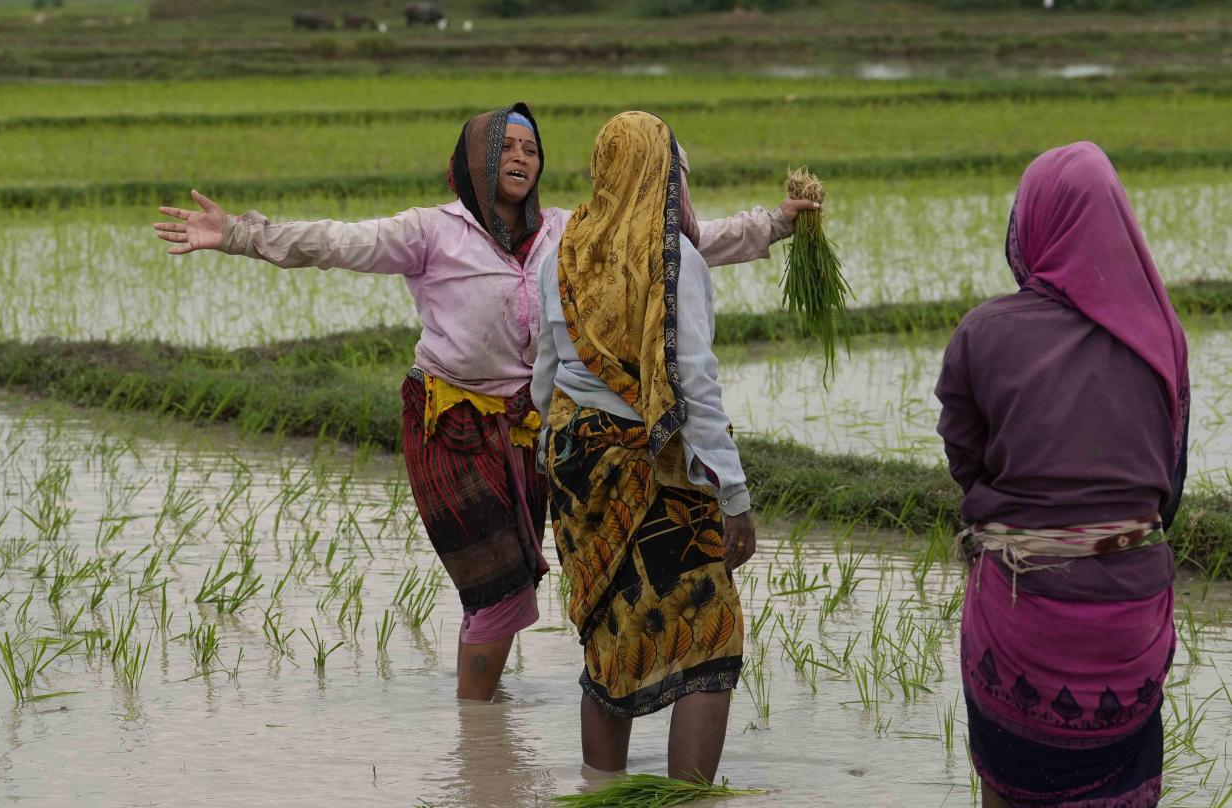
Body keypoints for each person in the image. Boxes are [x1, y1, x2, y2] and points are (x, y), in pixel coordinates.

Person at [153, 102, 813, 702]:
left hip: (530, 429)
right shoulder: (430, 233)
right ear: (474, 163)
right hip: (451, 425)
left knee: (512, 581)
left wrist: (778, 224)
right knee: (500, 588)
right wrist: (241, 235)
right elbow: (336, 242)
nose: (521, 157)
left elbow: (676, 242)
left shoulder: (567, 232)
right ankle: (478, 731)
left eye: (531, 148)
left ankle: (480, 721)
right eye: (506, 147)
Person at [935, 141, 1189, 808]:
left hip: (1022, 615)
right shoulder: (1161, 335)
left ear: (1035, 223)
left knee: (1008, 789)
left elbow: (967, 462)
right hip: (1132, 617)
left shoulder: (984, 333)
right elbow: (1170, 484)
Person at [532, 111, 757, 783]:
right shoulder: (672, 259)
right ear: (659, 175)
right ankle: (687, 800)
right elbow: (694, 384)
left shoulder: (562, 252)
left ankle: (602, 793)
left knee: (606, 637)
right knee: (711, 635)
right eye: (678, 174)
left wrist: (561, 456)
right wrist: (735, 496)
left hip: (576, 465)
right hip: (650, 468)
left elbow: (545, 374)